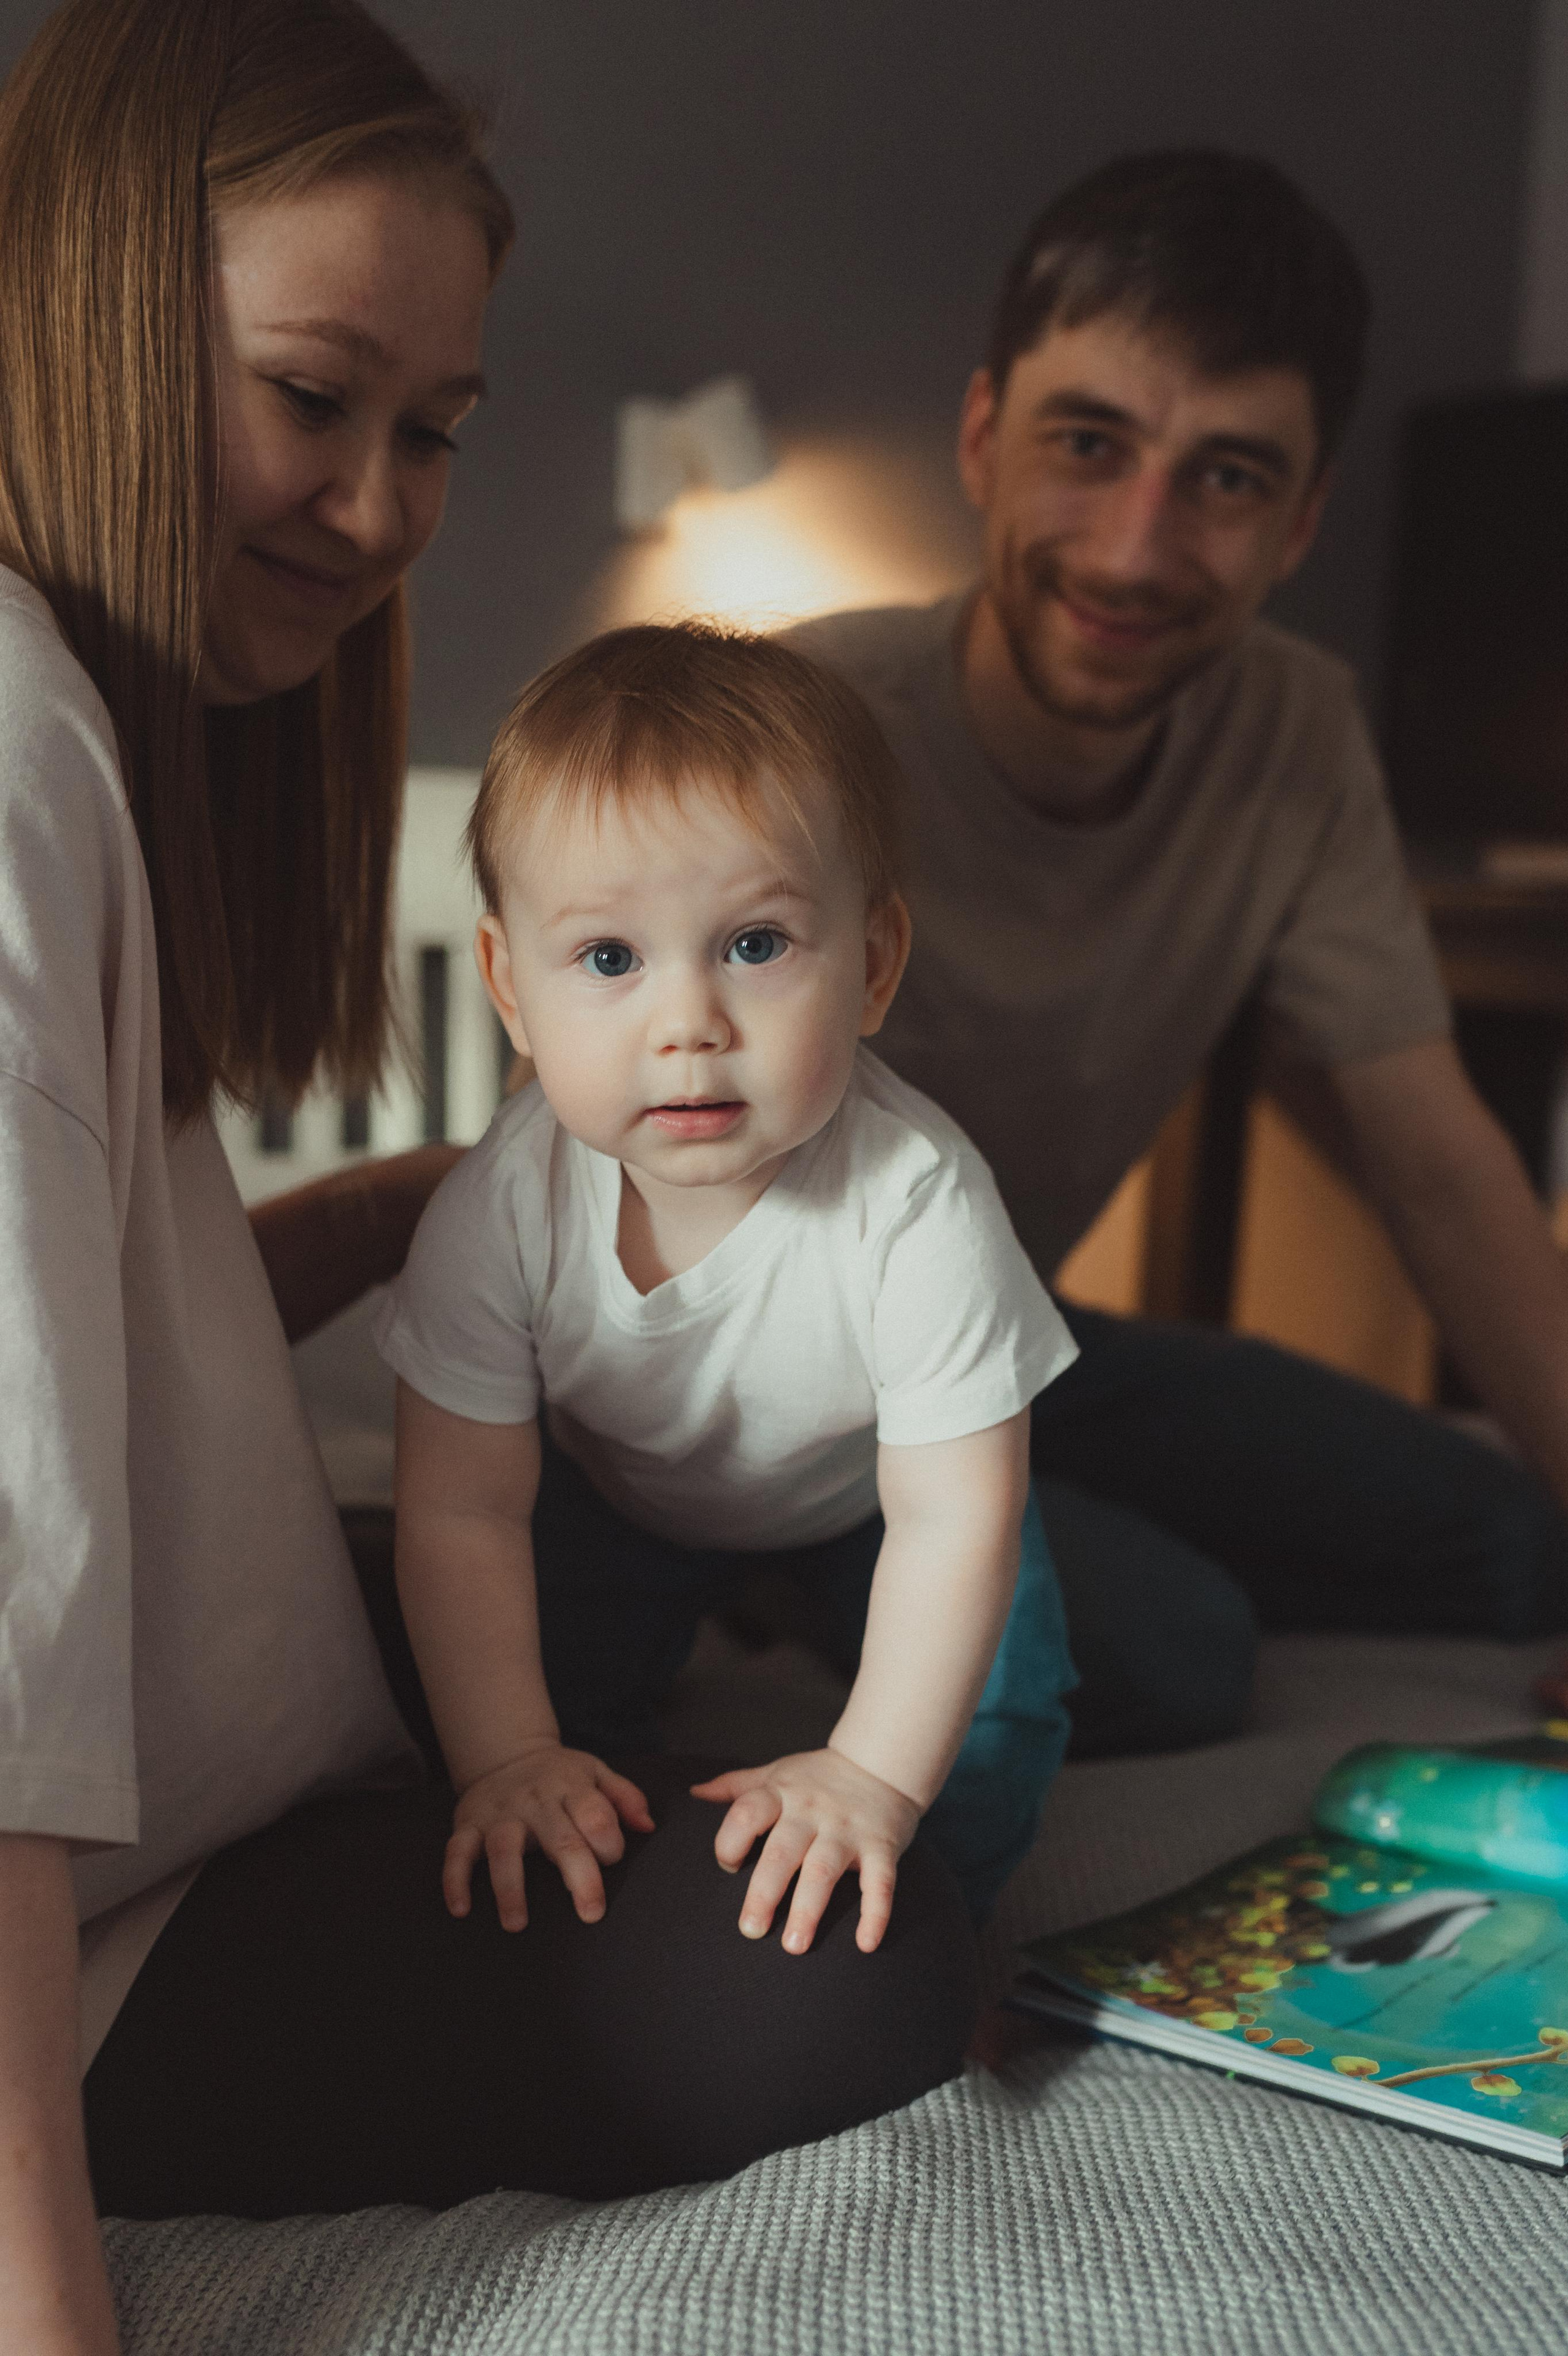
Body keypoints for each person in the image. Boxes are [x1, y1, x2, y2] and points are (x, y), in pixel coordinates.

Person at [0, 6, 975, 2346]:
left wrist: (361, 1227)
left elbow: (62, 1337)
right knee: (862, 1965)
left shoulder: (92, 731)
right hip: (98, 1907)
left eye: (432, 430)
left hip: (209, 1757)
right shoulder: (16, 751)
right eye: (310, 397)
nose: (376, 511)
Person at [784, 150, 1568, 1758]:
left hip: (1016, 1346)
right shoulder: (792, 724)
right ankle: (792, 1573)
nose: (1138, 551)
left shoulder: (1297, 732)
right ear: (984, 439)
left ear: (1301, 519)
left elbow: (1439, 1167)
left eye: (1225, 477)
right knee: (1176, 1651)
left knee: (1521, 1547)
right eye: (1089, 445)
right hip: (767, 1399)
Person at [375, 622, 1080, 1949]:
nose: (688, 1023)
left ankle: (953, 1945)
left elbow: (951, 1522)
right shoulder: (500, 1210)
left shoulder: (920, 1200)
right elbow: (462, 1511)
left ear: (873, 965)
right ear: (510, 988)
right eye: (609, 959)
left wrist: (869, 1775)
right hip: (622, 1496)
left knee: (1004, 1702)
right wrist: (509, 1755)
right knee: (502, 1696)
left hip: (865, 1505)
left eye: (755, 944)